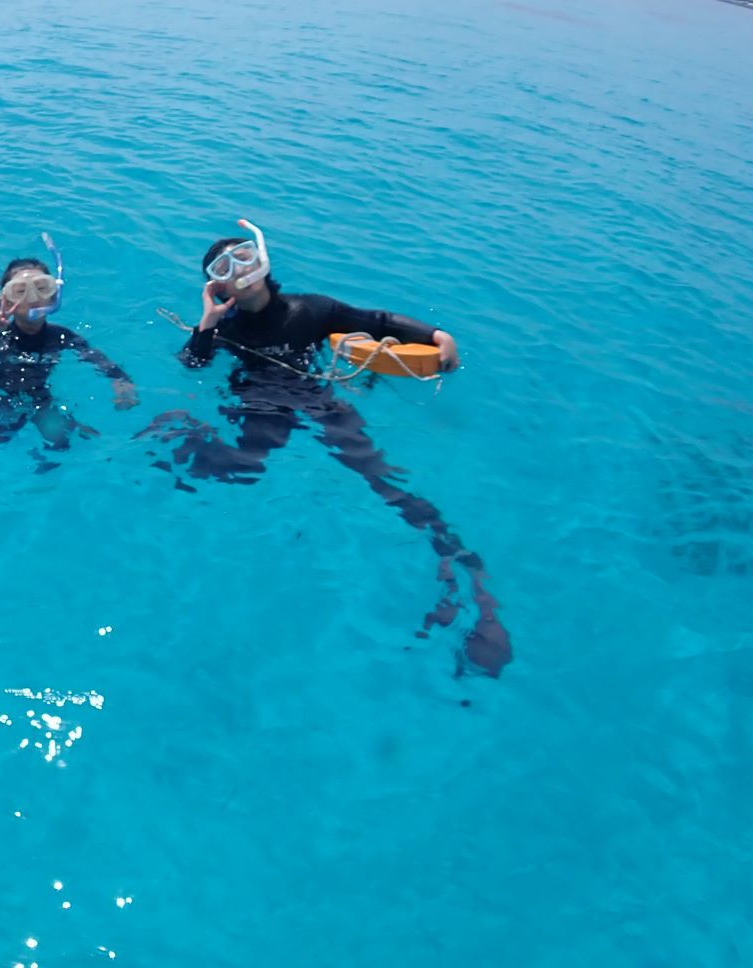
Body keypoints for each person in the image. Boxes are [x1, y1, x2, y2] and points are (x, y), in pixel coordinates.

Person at [144, 218, 512, 677]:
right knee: (245, 468)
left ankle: (463, 570)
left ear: (263, 261)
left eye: (245, 257)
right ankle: (182, 427)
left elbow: (376, 322)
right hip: (261, 403)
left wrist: (438, 337)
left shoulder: (310, 310)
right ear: (216, 286)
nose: (240, 270)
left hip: (315, 397)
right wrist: (208, 322)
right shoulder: (226, 329)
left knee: (380, 476)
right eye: (224, 268)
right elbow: (192, 365)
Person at [0, 239, 137, 454]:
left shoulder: (61, 336)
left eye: (41, 288)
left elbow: (98, 359)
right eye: (20, 291)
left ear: (53, 294)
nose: (32, 298)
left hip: (42, 400)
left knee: (61, 444)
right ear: (6, 300)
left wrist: (121, 381)